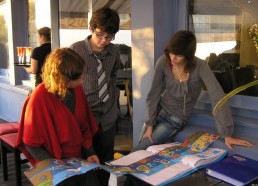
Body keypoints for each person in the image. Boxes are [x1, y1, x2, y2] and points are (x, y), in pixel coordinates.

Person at [132, 30, 253, 153]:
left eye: (179, 55)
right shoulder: (163, 61)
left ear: (188, 56)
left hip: (175, 119)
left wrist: (227, 133)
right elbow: (154, 94)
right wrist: (150, 124)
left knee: (142, 149)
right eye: (171, 52)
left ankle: (119, 167)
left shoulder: (200, 66)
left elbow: (217, 96)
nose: (172, 58)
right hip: (157, 111)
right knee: (140, 147)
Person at [17, 48, 100, 185]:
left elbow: (85, 127)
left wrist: (90, 152)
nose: (82, 81)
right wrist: (54, 164)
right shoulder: (40, 97)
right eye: (78, 78)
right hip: (53, 160)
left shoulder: (77, 90)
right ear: (63, 78)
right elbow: (31, 144)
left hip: (78, 158)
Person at [70, 7, 121, 186]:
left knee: (106, 162)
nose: (103, 41)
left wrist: (113, 100)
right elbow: (69, 84)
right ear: (91, 28)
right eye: (100, 35)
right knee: (85, 163)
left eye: (109, 37)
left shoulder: (114, 51)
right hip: (86, 115)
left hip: (107, 116)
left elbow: (114, 74)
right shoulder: (76, 50)